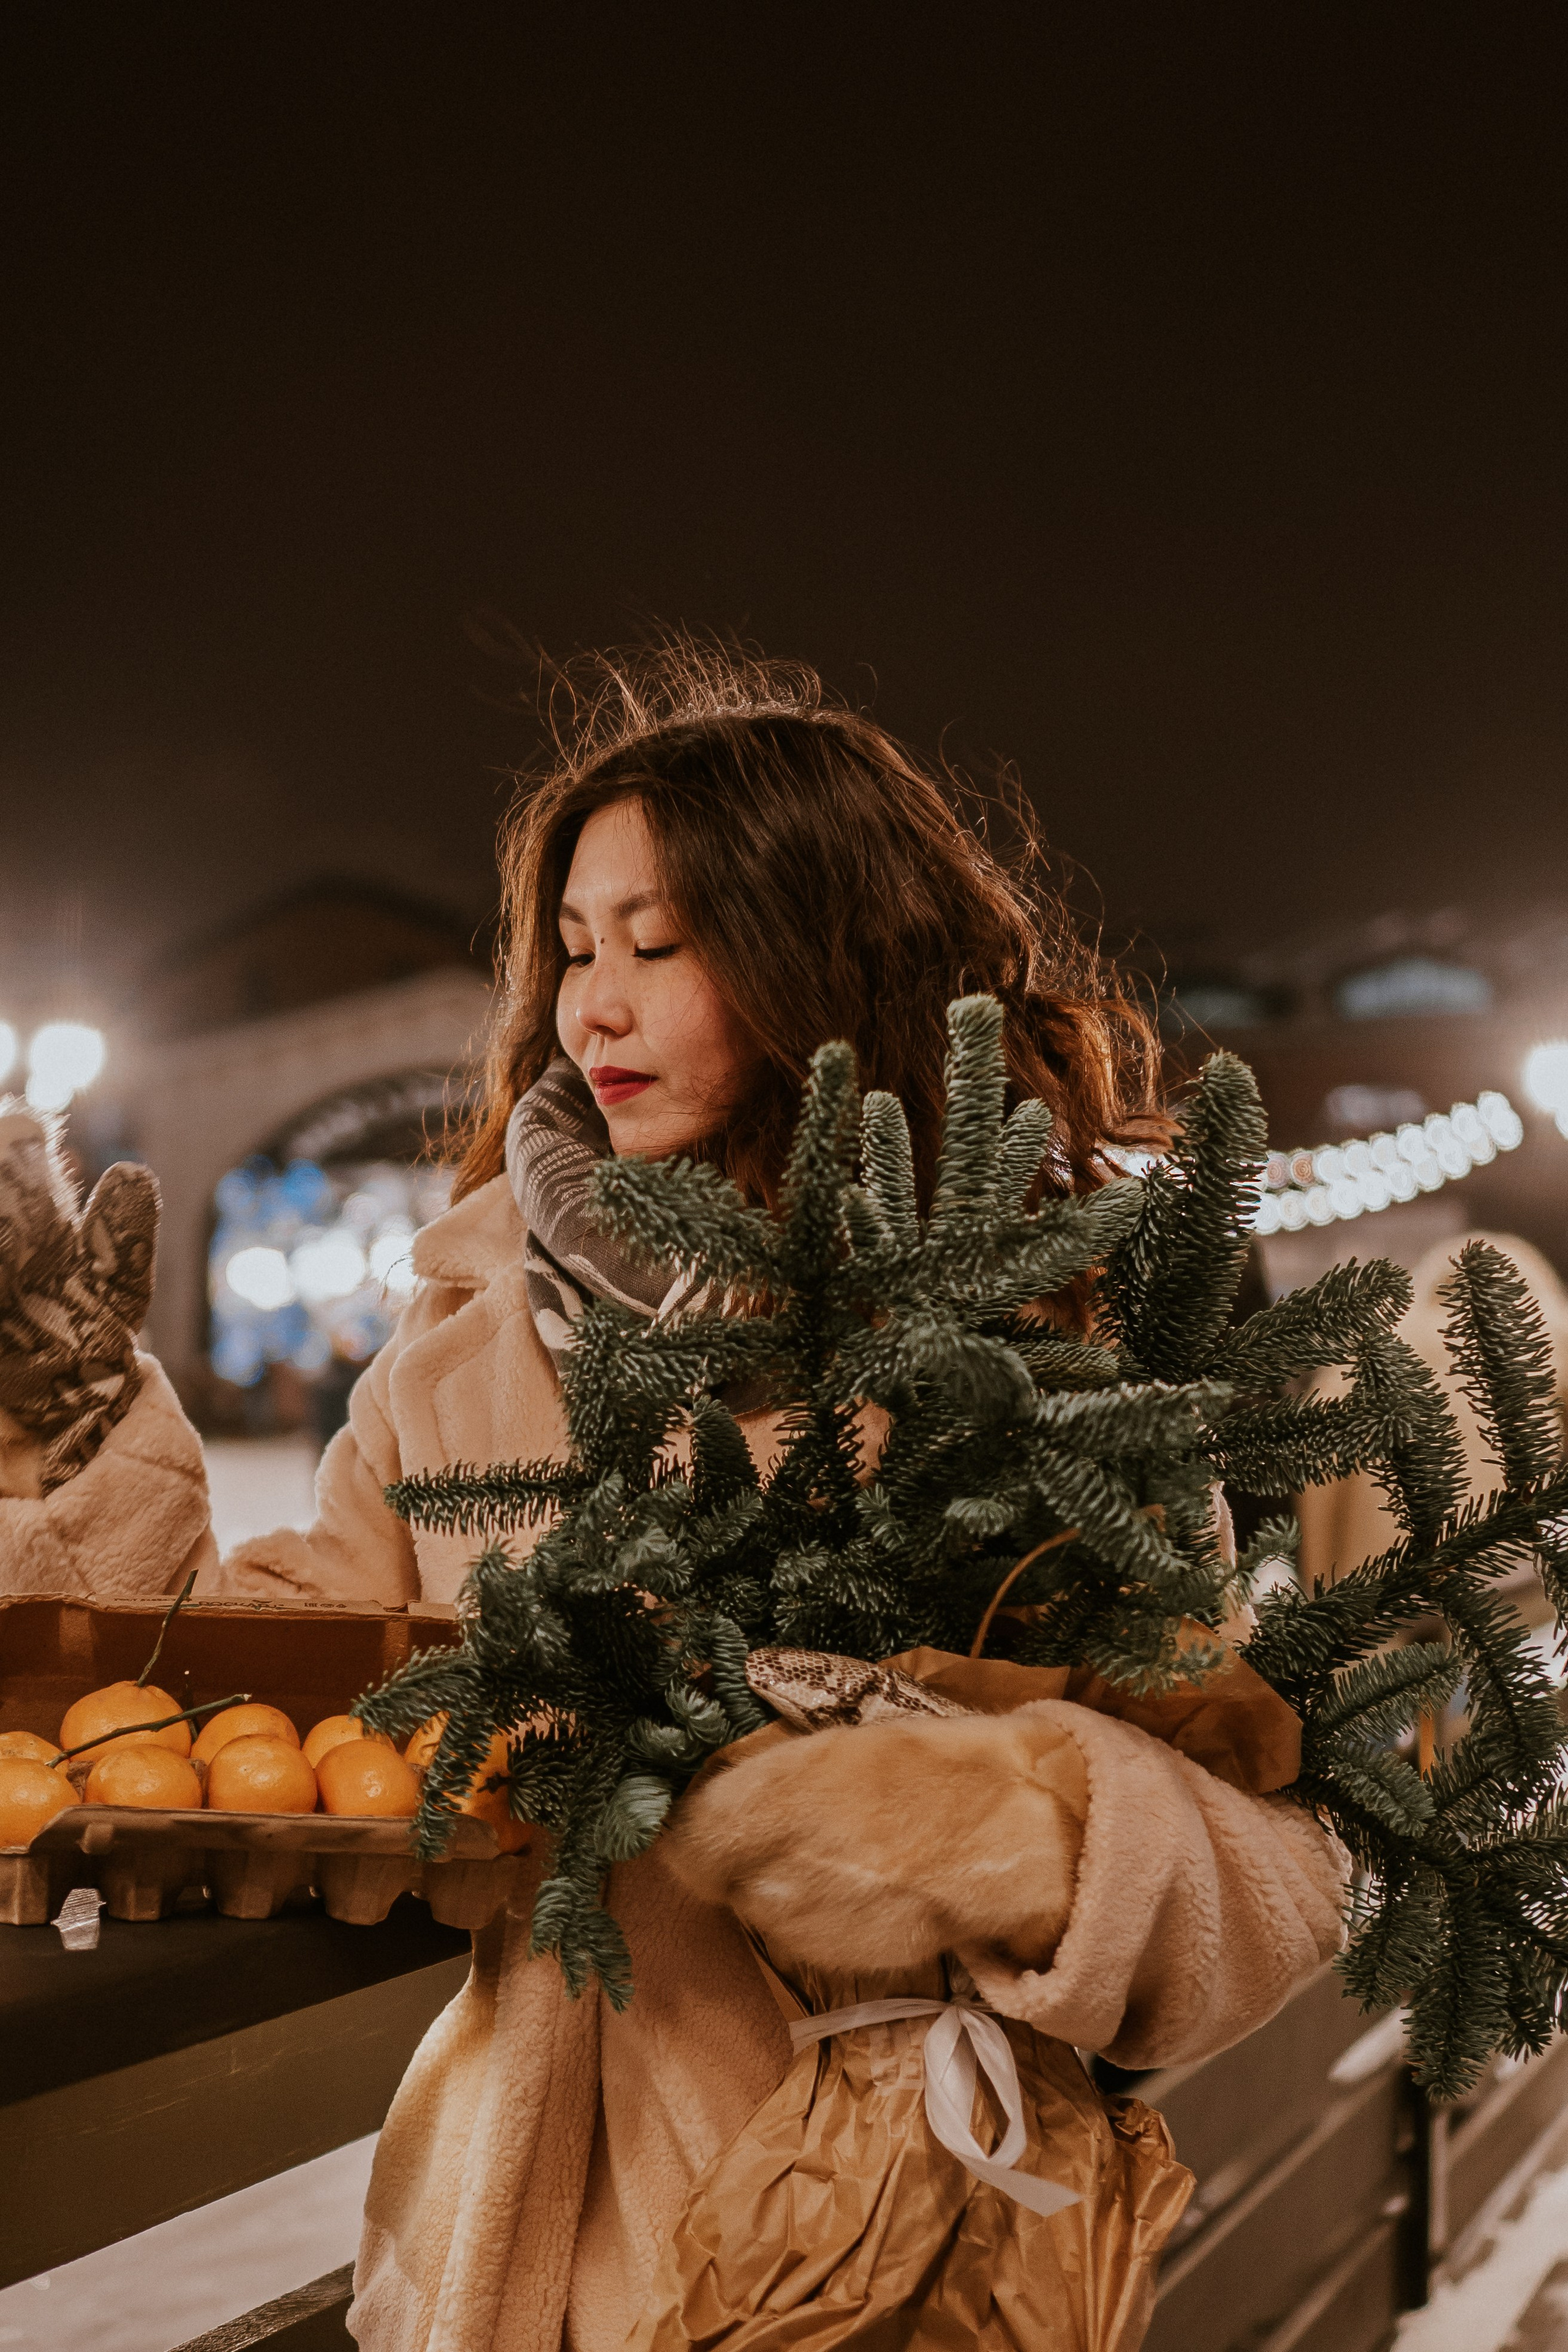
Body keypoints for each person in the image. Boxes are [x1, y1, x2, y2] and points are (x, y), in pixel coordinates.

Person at [0, 648, 1346, 2351]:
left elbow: (1244, 1819)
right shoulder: (473, 1318)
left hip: (859, 2246)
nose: (595, 1007)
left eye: (660, 944)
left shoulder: (1032, 1326)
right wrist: (66, 1438)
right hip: (503, 2254)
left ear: (825, 959)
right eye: (572, 950)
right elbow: (285, 1665)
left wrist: (993, 1826)